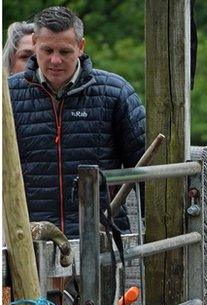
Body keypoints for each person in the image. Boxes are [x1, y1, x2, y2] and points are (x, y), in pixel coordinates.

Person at [9, 6, 144, 238]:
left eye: (65, 51)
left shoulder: (115, 92)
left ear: (81, 47)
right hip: (29, 240)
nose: (55, 60)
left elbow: (147, 169)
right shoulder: (8, 94)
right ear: (34, 42)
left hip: (100, 238)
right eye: (47, 50)